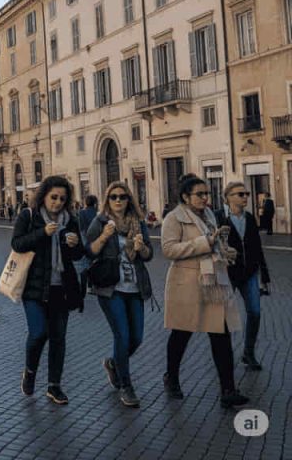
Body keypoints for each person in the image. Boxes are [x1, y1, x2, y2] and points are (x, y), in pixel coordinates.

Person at [161, 174, 249, 409]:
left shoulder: (210, 215)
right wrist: (206, 243)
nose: (205, 198)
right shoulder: (173, 218)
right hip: (187, 283)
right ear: (185, 197)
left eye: (207, 193)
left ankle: (228, 389)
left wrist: (226, 251)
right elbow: (168, 249)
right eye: (199, 194)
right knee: (181, 334)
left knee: (221, 334)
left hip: (213, 283)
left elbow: (215, 243)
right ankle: (172, 377)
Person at [10, 175, 85, 405]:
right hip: (33, 287)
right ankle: (30, 372)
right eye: (53, 197)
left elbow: (78, 255)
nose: (58, 202)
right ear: (43, 196)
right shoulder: (29, 216)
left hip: (61, 288)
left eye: (62, 198)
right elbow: (17, 243)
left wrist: (74, 245)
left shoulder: (70, 220)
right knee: (38, 333)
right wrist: (43, 233)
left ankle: (54, 386)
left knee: (58, 338)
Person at [85, 182, 153, 408]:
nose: (118, 201)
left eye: (122, 197)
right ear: (107, 200)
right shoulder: (100, 222)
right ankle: (126, 385)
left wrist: (141, 247)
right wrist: (104, 236)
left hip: (135, 287)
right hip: (111, 288)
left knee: (136, 338)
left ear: (129, 199)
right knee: (122, 336)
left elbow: (148, 255)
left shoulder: (138, 222)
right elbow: (90, 251)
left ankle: (114, 363)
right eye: (113, 197)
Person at [215, 182, 267, 371]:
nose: (245, 197)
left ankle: (248, 353)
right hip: (228, 273)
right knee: (224, 317)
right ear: (228, 197)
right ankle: (223, 355)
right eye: (240, 194)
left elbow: (257, 248)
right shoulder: (218, 217)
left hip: (250, 272)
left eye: (246, 193)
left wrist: (264, 275)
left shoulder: (250, 218)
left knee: (255, 312)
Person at [77, 195, 99, 296]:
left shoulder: (81, 212)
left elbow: (80, 228)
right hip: (95, 242)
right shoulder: (97, 214)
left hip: (84, 241)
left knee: (84, 266)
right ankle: (91, 286)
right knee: (93, 264)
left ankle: (83, 288)